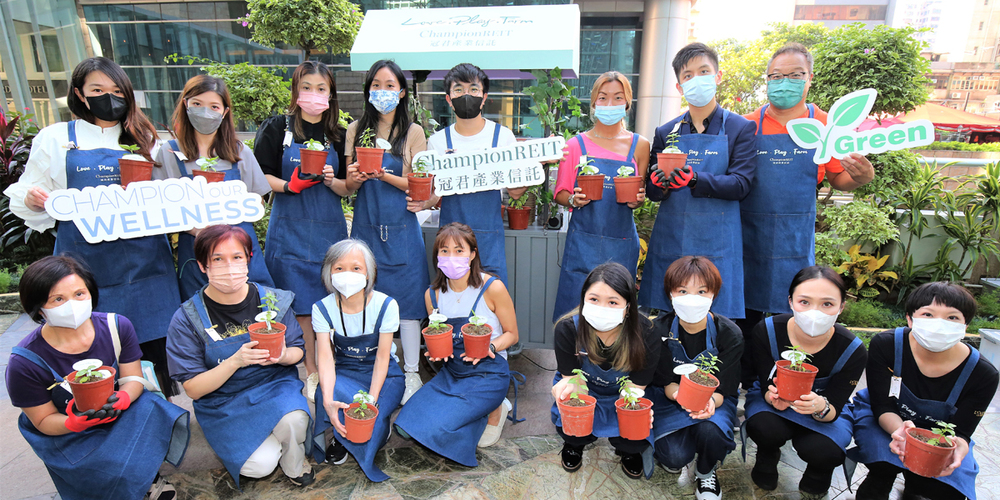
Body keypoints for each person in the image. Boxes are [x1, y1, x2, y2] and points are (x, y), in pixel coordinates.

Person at [4, 57, 182, 396]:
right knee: (96, 356)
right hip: (86, 270)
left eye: (116, 91)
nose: (109, 97)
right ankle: (105, 424)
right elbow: (27, 192)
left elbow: (171, 198)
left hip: (148, 268)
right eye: (97, 90)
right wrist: (32, 200)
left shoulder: (145, 139)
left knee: (154, 357)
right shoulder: (56, 138)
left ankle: (159, 422)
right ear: (80, 94)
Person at [5, 255, 189, 499]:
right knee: (103, 473)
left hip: (117, 413)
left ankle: (144, 476)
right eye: (58, 299)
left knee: (151, 404)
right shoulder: (24, 363)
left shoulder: (116, 327)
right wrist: (72, 423)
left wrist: (123, 397)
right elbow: (43, 420)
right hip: (67, 431)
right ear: (38, 308)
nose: (71, 304)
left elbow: (133, 379)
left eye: (79, 294)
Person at [739, 43, 875, 334]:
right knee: (743, 316)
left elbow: (838, 179)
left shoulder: (826, 124)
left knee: (788, 317)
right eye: (776, 76)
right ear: (767, 80)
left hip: (794, 238)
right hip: (746, 235)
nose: (784, 82)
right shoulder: (747, 125)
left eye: (795, 74)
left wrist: (861, 177)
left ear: (809, 78)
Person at [165, 225, 313, 487]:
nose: (229, 267)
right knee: (260, 465)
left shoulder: (272, 301)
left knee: (294, 421)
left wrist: (279, 355)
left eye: (237, 257)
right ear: (203, 266)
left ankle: (295, 462)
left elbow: (297, 351)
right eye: (217, 259)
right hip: (223, 402)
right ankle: (265, 441)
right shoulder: (187, 319)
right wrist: (235, 361)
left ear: (248, 259)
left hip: (273, 387)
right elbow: (193, 389)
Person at [253, 60, 349, 401]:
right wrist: (289, 186)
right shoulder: (277, 128)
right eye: (306, 87)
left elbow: (349, 188)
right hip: (289, 230)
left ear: (331, 94)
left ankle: (333, 364)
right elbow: (259, 176)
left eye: (321, 88)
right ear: (296, 90)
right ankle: (311, 370)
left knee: (331, 304)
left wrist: (332, 180)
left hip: (328, 232)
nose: (313, 94)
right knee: (300, 310)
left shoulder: (339, 133)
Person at [848, 282, 998, 500]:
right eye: (928, 314)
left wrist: (959, 447)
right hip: (890, 420)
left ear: (966, 326)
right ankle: (879, 481)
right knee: (883, 460)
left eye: (952, 318)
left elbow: (962, 432)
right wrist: (901, 432)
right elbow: (882, 405)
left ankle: (916, 488)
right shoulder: (887, 346)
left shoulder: (983, 374)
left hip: (940, 435)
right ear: (910, 319)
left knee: (944, 488)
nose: (939, 324)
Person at [641, 43, 757, 320]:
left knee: (718, 317)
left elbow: (741, 184)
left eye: (704, 71)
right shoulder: (666, 131)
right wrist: (659, 183)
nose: (696, 80)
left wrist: (695, 179)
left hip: (718, 239)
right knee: (669, 315)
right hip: (673, 236)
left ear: (717, 77)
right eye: (688, 75)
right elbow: (653, 193)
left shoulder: (739, 127)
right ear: (680, 87)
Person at [394, 222, 519, 464]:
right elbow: (438, 335)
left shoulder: (492, 288)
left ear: (473, 255)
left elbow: (512, 334)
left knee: (437, 428)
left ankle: (496, 409)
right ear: (437, 257)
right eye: (444, 250)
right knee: (405, 425)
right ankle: (475, 412)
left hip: (489, 373)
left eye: (459, 250)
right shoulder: (433, 295)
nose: (451, 256)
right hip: (454, 374)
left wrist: (489, 347)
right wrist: (436, 351)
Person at [344, 60, 429, 404]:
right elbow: (348, 187)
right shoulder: (355, 130)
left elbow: (420, 184)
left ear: (402, 92)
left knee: (407, 305)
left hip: (403, 231)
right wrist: (357, 176)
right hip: (365, 228)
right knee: (366, 301)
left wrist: (383, 174)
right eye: (376, 85)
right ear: (367, 91)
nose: (383, 91)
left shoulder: (413, 132)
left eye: (390, 85)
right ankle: (372, 367)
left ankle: (411, 373)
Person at [742, 266, 866, 499]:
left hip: (823, 410)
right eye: (804, 302)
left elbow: (835, 406)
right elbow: (762, 381)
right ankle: (767, 456)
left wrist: (820, 407)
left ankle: (818, 473)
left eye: (827, 304)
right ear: (790, 302)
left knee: (824, 449)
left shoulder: (852, 350)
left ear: (841, 307)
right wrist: (772, 396)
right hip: (776, 404)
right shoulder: (767, 331)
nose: (814, 312)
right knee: (764, 427)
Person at [155, 74, 273, 300]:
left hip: (240, 250)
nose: (205, 112)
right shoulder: (169, 153)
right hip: (196, 252)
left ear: (225, 112)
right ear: (185, 105)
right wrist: (196, 229)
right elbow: (161, 207)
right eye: (197, 104)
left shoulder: (239, 152)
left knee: (257, 309)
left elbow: (257, 200)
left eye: (214, 106)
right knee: (200, 317)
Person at [412, 63, 525, 284]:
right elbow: (434, 194)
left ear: (484, 97)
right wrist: (422, 203)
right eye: (459, 90)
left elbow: (516, 192)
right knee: (451, 309)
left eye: (473, 89)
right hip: (450, 246)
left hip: (489, 242)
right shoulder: (437, 142)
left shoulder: (502, 137)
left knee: (491, 309)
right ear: (448, 99)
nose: (467, 95)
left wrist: (536, 165)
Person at [551, 71, 649, 321]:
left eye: (617, 98)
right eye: (603, 98)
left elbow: (640, 192)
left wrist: (637, 200)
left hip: (622, 242)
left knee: (616, 315)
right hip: (583, 243)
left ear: (627, 102)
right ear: (593, 103)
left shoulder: (640, 145)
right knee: (574, 313)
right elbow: (560, 193)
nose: (609, 104)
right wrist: (573, 200)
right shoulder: (575, 145)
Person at [551, 262, 661, 479]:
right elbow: (574, 381)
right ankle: (574, 444)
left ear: (628, 307)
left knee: (634, 437)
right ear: (583, 299)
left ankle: (627, 450)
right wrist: (565, 393)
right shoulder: (567, 329)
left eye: (613, 302)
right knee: (572, 426)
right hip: (585, 390)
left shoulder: (647, 334)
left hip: (624, 392)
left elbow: (636, 386)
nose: (602, 308)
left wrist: (633, 414)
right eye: (594, 299)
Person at [648, 256, 743, 500]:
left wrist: (710, 403)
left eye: (701, 291)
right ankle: (684, 440)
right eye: (683, 290)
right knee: (674, 457)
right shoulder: (658, 330)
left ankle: (706, 471)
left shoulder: (729, 334)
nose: (692, 299)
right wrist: (678, 395)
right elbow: (664, 381)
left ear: (714, 294)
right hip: (670, 397)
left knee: (711, 432)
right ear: (670, 293)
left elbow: (726, 388)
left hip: (714, 400)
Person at [310, 239, 404, 482]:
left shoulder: (386, 305)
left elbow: (383, 357)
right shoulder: (321, 308)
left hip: (383, 375)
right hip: (345, 371)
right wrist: (330, 401)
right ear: (329, 273)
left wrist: (371, 400)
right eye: (339, 268)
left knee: (369, 415)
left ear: (369, 273)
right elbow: (326, 358)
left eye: (356, 268)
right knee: (327, 394)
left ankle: (375, 428)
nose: (347, 274)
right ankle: (341, 434)